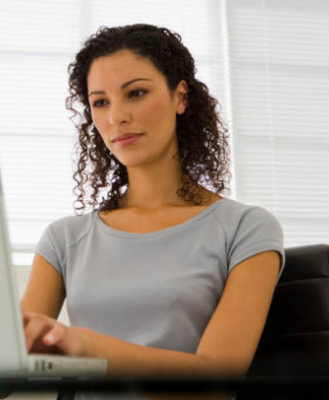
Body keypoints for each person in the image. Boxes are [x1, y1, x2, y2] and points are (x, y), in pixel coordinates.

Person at [20, 24, 284, 399]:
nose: (117, 117)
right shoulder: (64, 239)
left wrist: (89, 349)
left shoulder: (245, 228)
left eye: (136, 93)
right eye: (101, 102)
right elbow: (3, 379)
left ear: (180, 97)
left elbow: (217, 379)